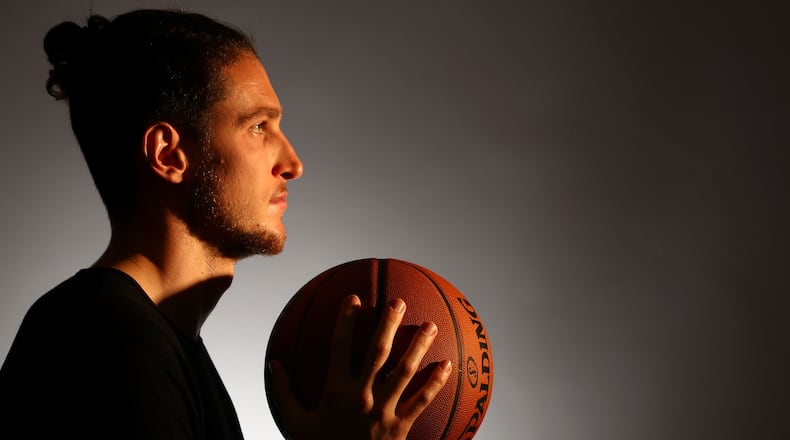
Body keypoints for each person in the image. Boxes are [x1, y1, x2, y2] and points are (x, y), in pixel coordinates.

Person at [0, 9, 451, 440]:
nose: (292, 163)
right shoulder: (106, 343)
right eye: (258, 126)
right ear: (168, 155)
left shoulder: (156, 339)